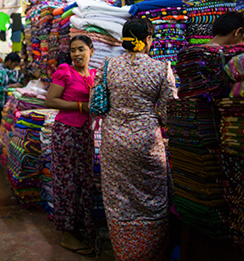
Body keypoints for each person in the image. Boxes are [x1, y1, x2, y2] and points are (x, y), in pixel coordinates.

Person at [97, 18, 178, 260]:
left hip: (113, 141)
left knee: (118, 198)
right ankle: (149, 253)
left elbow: (99, 104)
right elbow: (167, 112)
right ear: (148, 40)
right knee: (151, 197)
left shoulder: (108, 66)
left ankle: (125, 252)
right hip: (145, 143)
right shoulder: (161, 68)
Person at [45, 35, 97, 256]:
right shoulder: (65, 72)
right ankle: (67, 233)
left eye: (81, 49)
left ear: (91, 51)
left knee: (85, 180)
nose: (76, 54)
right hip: (66, 132)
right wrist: (79, 105)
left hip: (85, 132)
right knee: (67, 181)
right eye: (73, 50)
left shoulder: (94, 75)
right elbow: (50, 100)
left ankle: (83, 227)